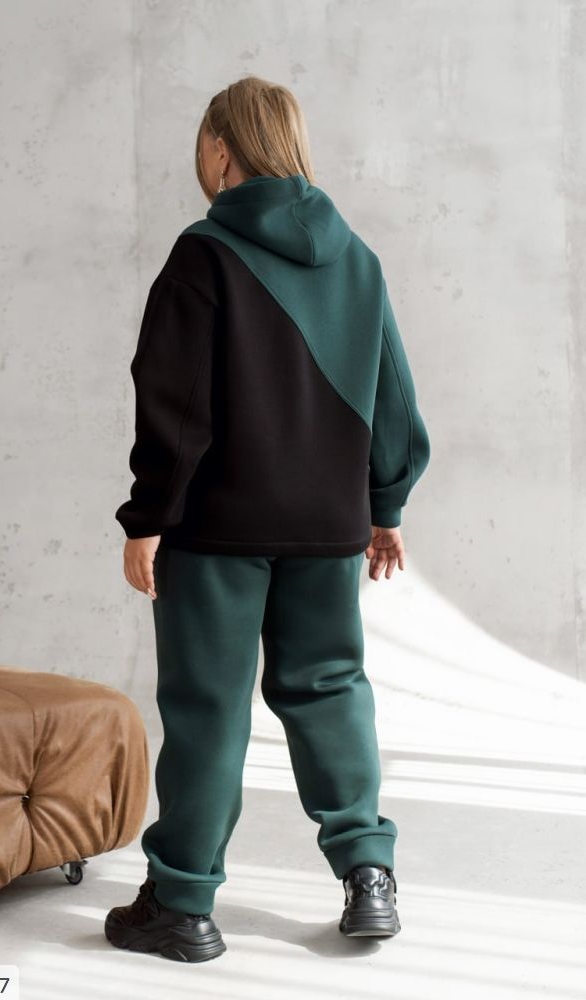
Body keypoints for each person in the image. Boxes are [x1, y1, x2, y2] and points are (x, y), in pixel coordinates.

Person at [105, 75, 430, 963]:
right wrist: (384, 505)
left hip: (217, 529)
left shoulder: (204, 253)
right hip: (328, 525)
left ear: (221, 148)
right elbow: (393, 395)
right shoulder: (356, 258)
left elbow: (172, 402)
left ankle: (182, 906)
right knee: (329, 689)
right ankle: (368, 872)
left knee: (209, 707)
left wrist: (146, 517)